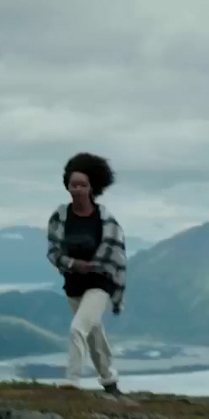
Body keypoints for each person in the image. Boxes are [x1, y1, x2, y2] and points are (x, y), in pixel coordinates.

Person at [45, 151, 127, 396]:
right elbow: (53, 252)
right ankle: (109, 381)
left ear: (92, 187)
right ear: (67, 186)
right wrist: (72, 264)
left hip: (100, 281)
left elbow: (114, 253)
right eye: (73, 184)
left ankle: (72, 380)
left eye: (83, 185)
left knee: (77, 329)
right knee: (94, 334)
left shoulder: (105, 219)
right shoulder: (60, 217)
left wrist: (92, 266)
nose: (77, 189)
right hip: (74, 284)